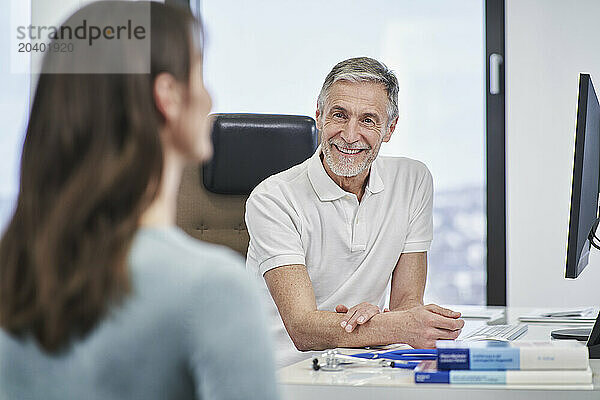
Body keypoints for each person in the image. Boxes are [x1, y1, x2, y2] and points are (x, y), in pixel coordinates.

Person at [0, 2, 278, 399]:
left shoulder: (16, 268)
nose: (209, 97)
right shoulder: (212, 289)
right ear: (168, 95)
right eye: (198, 75)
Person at [245, 57, 465, 367]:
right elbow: (302, 329)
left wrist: (385, 322)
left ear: (390, 128)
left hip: (365, 367)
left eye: (368, 120)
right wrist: (388, 325)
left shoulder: (412, 181)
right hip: (283, 376)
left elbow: (405, 307)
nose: (350, 135)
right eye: (339, 115)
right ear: (319, 116)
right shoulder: (273, 198)